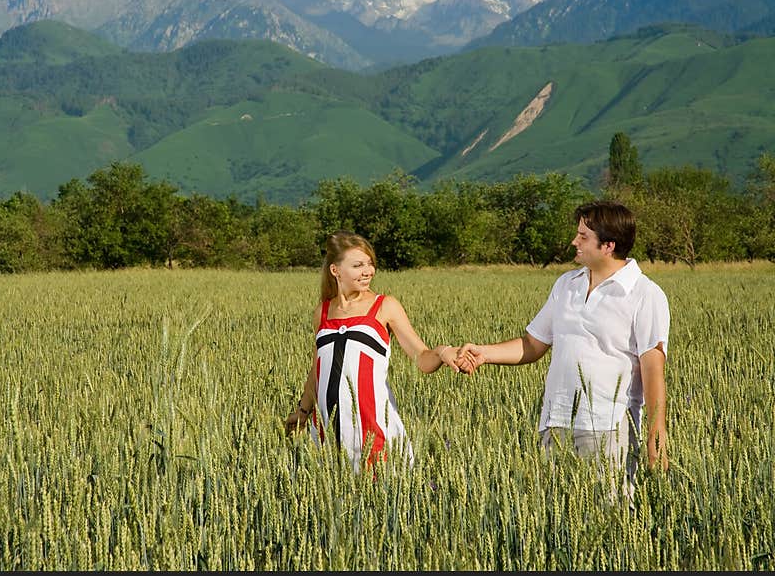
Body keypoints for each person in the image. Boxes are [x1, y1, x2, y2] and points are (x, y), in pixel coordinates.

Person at [456, 201, 670, 501]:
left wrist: (655, 439)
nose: (574, 241)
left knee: (610, 517)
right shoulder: (567, 284)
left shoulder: (644, 294)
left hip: (608, 426)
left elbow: (652, 369)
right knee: (559, 518)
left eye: (583, 236)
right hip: (556, 421)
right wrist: (484, 353)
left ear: (608, 245)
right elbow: (533, 344)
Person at [286, 230, 466, 473]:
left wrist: (443, 352)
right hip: (327, 428)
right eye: (358, 265)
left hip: (373, 426)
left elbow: (422, 357)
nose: (368, 271)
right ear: (335, 270)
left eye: (370, 263)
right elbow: (318, 369)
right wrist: (303, 411)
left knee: (382, 496)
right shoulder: (323, 311)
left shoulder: (385, 306)